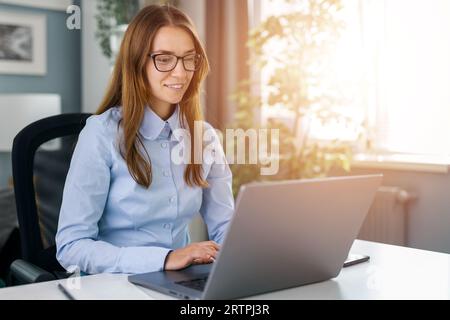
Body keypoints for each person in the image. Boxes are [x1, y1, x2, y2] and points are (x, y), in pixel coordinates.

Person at [55, 4, 234, 274]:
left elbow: (225, 225)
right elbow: (71, 248)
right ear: (137, 62)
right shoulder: (101, 134)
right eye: (164, 59)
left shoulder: (205, 137)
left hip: (178, 283)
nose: (181, 72)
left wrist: (242, 256)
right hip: (115, 285)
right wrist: (165, 259)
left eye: (189, 58)